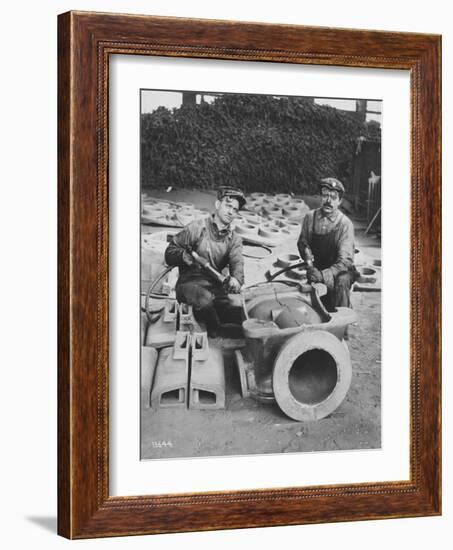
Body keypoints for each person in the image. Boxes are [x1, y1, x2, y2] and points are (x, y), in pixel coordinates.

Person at [165, 186, 246, 338]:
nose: (231, 212)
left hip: (215, 284)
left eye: (235, 210)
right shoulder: (196, 228)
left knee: (232, 311)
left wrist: (236, 279)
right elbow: (169, 254)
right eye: (228, 206)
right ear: (217, 205)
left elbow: (237, 261)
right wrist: (184, 257)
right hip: (189, 283)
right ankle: (214, 333)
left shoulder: (234, 239)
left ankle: (219, 326)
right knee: (206, 302)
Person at [297, 177, 357, 312]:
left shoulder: (345, 224)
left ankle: (343, 319)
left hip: (340, 270)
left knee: (341, 282)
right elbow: (302, 242)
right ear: (320, 196)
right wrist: (308, 261)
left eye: (334, 197)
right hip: (318, 267)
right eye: (325, 195)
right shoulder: (310, 217)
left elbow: (345, 261)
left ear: (340, 201)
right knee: (312, 308)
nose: (329, 201)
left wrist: (323, 275)